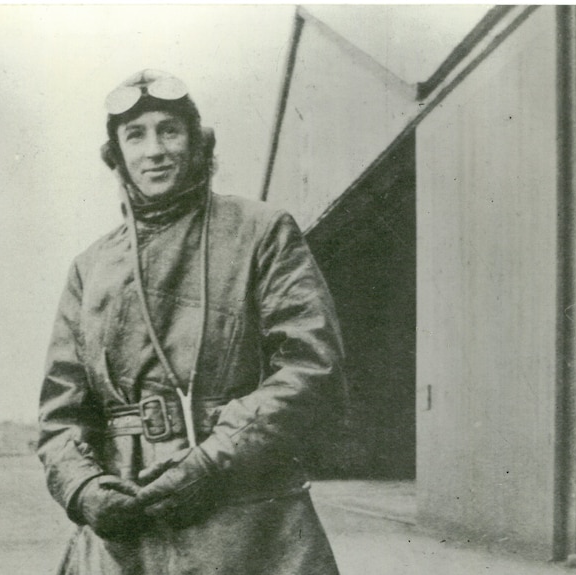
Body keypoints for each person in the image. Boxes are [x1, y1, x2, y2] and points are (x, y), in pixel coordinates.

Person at [37, 69, 345, 575]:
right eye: (135, 135)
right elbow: (60, 416)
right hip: (124, 530)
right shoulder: (89, 268)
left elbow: (310, 367)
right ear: (116, 155)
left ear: (197, 143)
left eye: (169, 130)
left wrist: (209, 464)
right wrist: (85, 489)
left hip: (247, 517)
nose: (154, 149)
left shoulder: (262, 232)